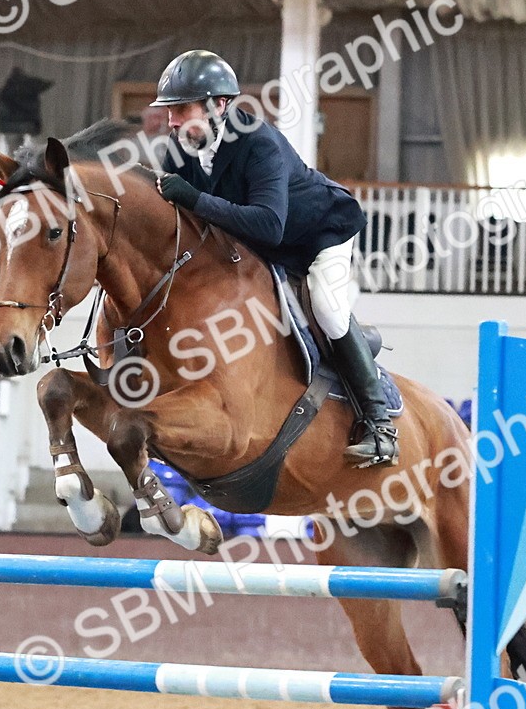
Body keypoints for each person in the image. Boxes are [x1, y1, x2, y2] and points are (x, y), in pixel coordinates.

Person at [150, 49, 398, 467]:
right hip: (260, 249)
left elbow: (268, 225)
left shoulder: (258, 142)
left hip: (318, 235)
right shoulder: (181, 150)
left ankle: (379, 425)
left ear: (219, 105)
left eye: (181, 109)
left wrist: (195, 198)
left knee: (327, 307)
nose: (172, 121)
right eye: (169, 111)